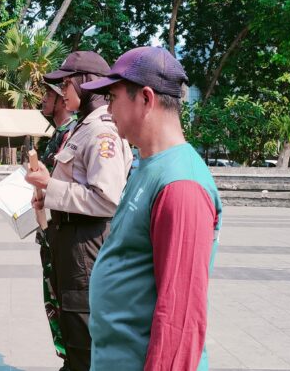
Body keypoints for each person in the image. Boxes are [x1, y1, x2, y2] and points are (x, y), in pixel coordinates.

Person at [81, 46, 223, 370]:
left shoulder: (181, 184)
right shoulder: (148, 165)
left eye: (112, 98)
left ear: (146, 99)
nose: (106, 109)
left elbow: (180, 319)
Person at [25, 51, 132, 371]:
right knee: (71, 330)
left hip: (87, 245)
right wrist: (50, 197)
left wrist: (52, 187)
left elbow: (107, 199)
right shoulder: (84, 127)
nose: (63, 90)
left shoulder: (102, 132)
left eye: (67, 83)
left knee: (84, 335)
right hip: (70, 240)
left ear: (86, 84)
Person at [36, 81, 77, 370]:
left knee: (63, 300)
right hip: (50, 230)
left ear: (63, 99)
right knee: (54, 298)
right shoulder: (56, 135)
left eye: (48, 94)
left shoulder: (73, 133)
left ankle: (71, 359)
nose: (42, 99)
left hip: (62, 232)